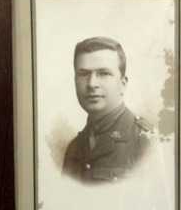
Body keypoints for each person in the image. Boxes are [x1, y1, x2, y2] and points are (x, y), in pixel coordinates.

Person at [62, 37, 154, 183]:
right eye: (83, 74)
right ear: (75, 82)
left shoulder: (147, 141)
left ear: (123, 84)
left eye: (104, 73)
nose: (92, 84)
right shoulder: (74, 148)